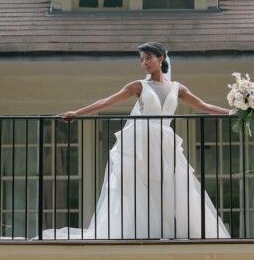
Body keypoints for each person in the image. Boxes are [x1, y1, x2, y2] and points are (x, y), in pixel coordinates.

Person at [43, 41, 232, 238]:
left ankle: (168, 231)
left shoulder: (178, 88)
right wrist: (78, 113)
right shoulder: (138, 86)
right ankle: (141, 232)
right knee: (137, 185)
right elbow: (107, 101)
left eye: (148, 58)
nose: (144, 63)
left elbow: (204, 105)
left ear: (160, 59)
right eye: (141, 60)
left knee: (172, 184)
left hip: (164, 142)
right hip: (141, 142)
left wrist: (232, 112)